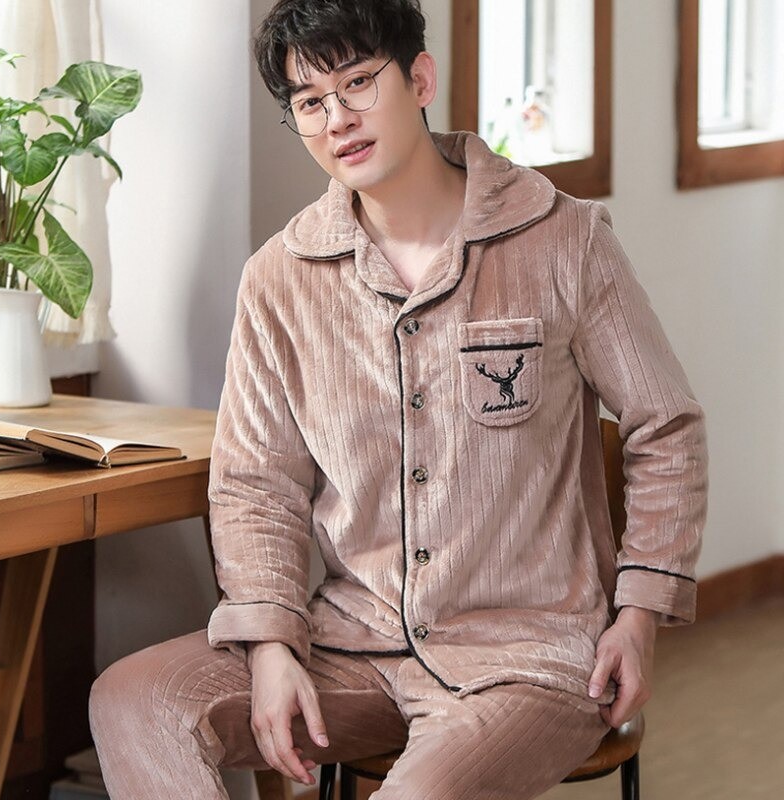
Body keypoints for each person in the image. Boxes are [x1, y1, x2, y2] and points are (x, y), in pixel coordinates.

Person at [89, 1, 708, 798]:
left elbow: (666, 425)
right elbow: (257, 484)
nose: (337, 119)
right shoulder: (279, 281)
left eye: (357, 83)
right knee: (134, 700)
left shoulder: (565, 240)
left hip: (528, 659)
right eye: (310, 101)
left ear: (420, 79)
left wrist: (640, 612)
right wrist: (272, 643)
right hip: (354, 643)